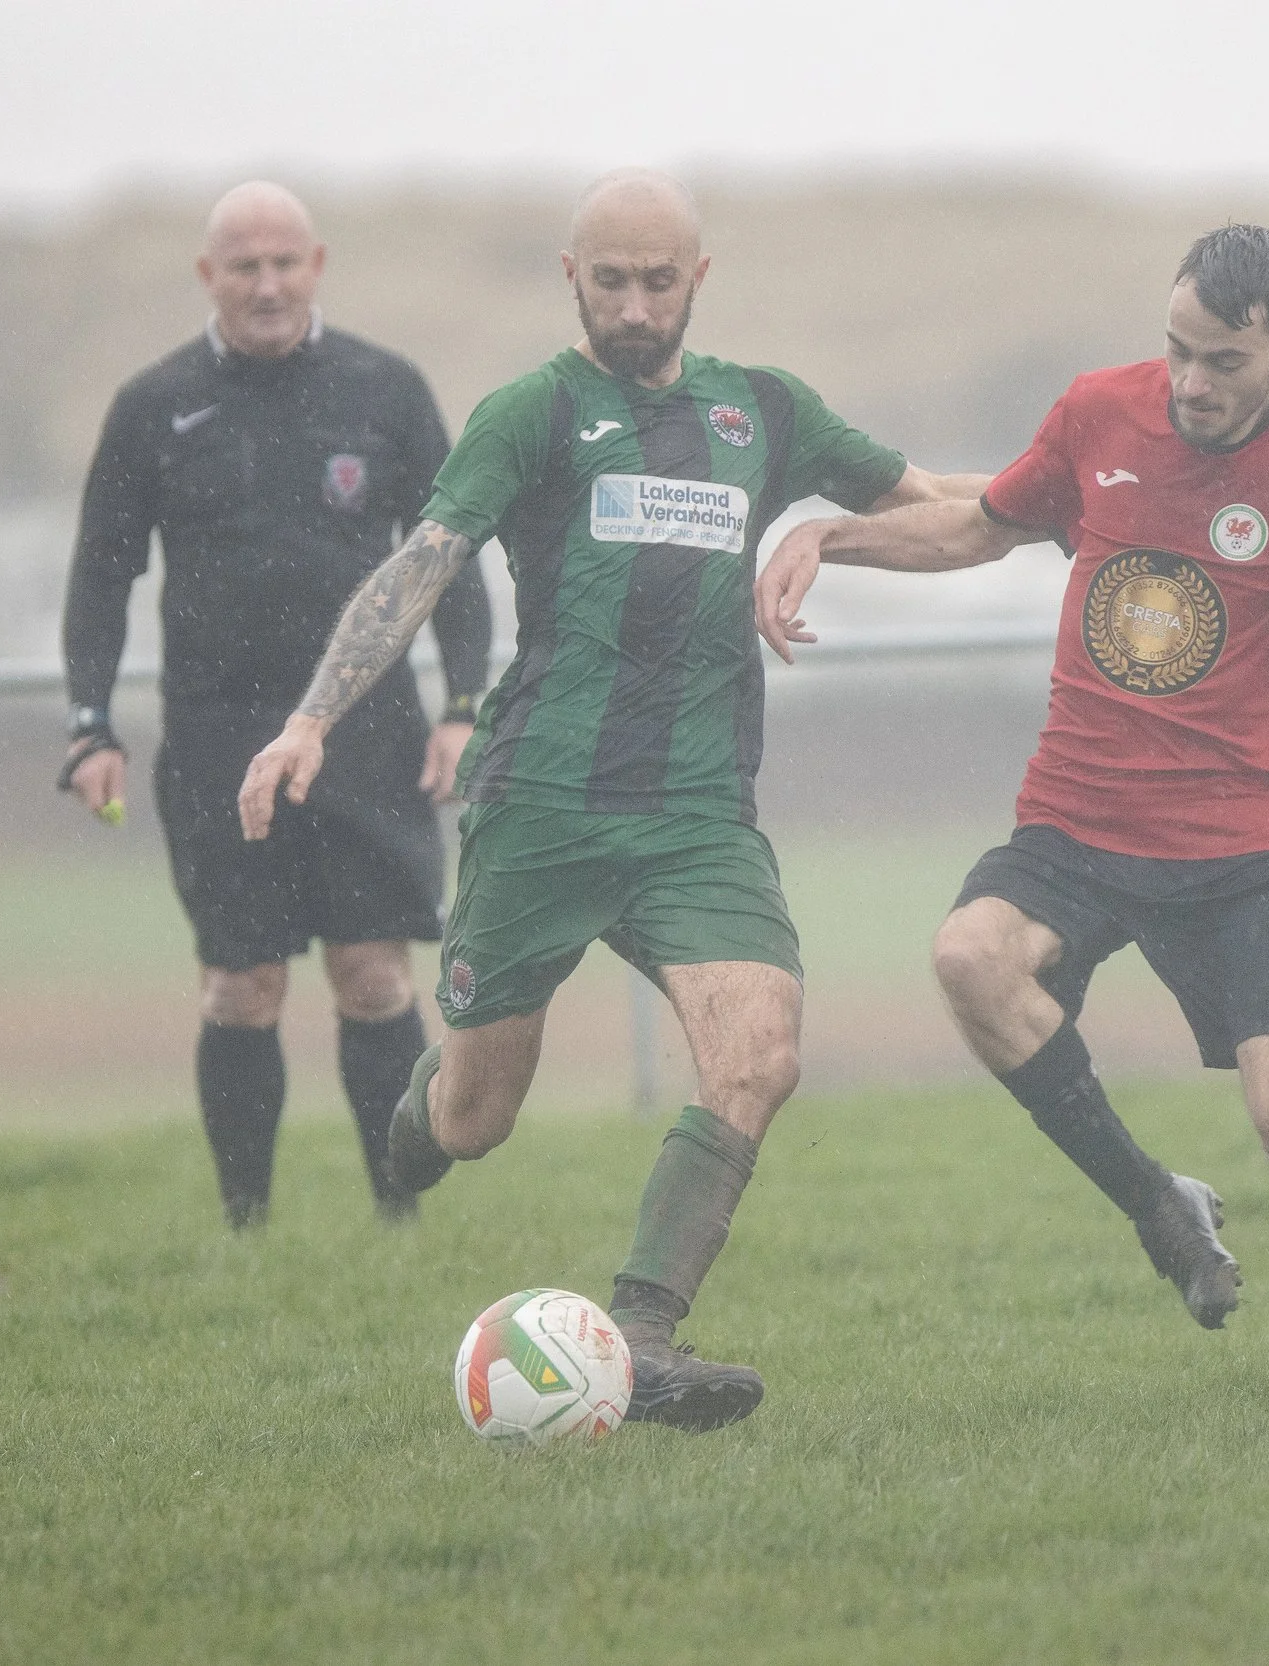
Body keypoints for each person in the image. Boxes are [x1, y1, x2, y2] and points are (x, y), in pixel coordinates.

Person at [236, 169, 987, 1430]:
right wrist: (312, 715)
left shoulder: (763, 411)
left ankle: (640, 1334)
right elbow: (421, 563)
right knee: (479, 1117)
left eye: (658, 281)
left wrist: (1081, 501)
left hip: (698, 814)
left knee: (761, 1054)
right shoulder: (534, 411)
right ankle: (418, 1118)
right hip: (539, 807)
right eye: (610, 281)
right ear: (570, 278)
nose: (634, 307)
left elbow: (931, 500)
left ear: (700, 281)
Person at [754, 223, 1269, 1396]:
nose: (1190, 383)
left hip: (1252, 854)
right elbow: (981, 522)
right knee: (970, 956)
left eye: (1222, 361)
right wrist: (828, 534)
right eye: (1176, 351)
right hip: (1079, 821)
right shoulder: (1099, 415)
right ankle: (1159, 1208)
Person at [60, 182, 493, 1230]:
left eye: (285, 263)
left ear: (318, 265)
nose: (266, 284)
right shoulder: (152, 405)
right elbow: (100, 574)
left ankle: (401, 1217)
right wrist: (89, 726)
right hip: (217, 735)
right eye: (242, 266)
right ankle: (244, 1225)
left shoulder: (385, 390)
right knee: (241, 986)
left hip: (368, 728)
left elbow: (449, 558)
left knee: (374, 975)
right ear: (207, 276)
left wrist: (461, 704)